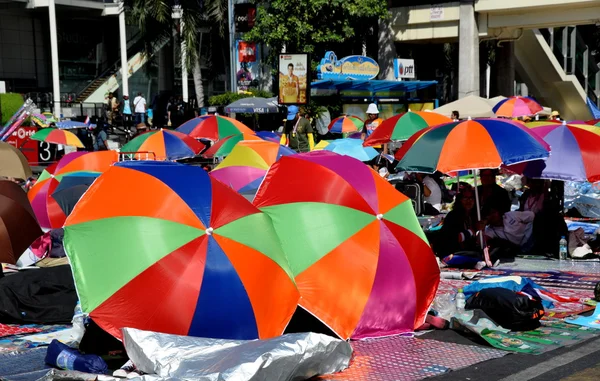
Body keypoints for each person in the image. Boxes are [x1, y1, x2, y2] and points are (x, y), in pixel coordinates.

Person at [439, 187, 481, 256]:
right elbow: (454, 238)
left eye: (471, 198)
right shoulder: (453, 216)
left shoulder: (475, 215)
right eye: (465, 198)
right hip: (452, 252)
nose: (468, 201)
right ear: (460, 200)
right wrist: (474, 230)